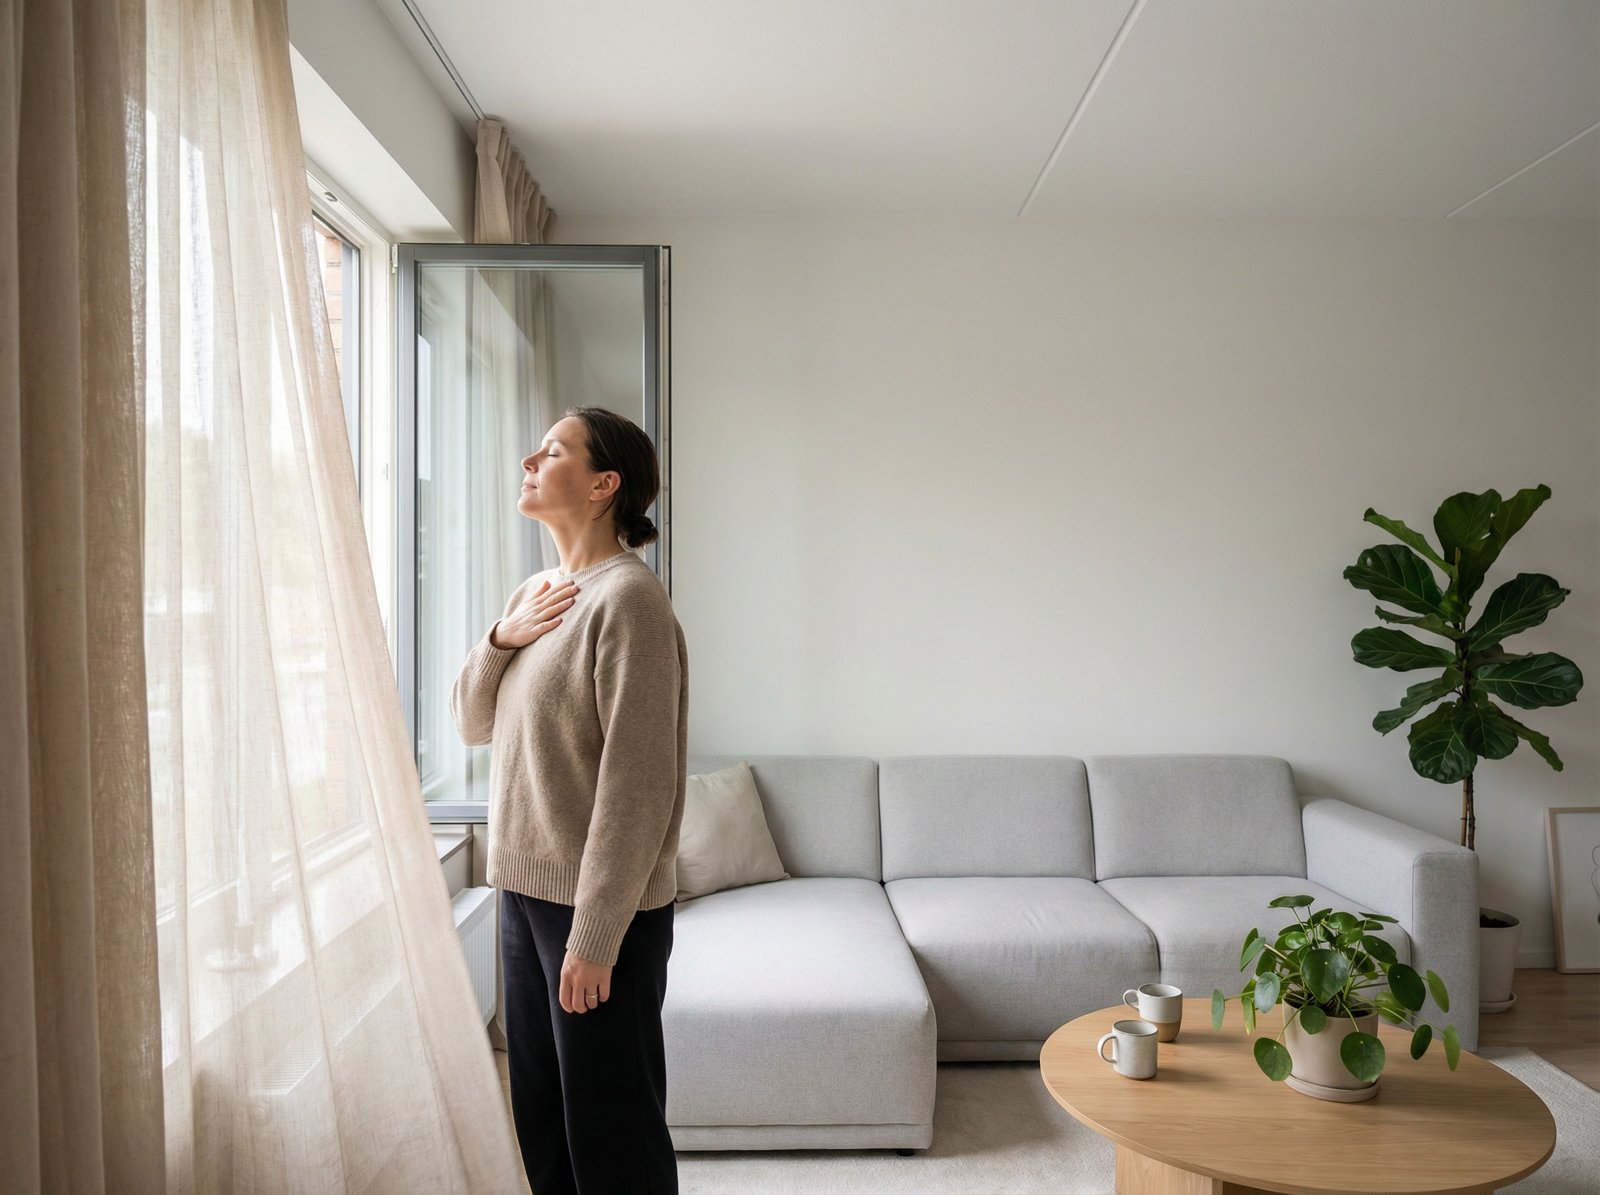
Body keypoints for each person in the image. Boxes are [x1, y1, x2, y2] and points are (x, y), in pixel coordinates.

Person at [449, 406, 687, 1194]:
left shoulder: (630, 601)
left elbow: (637, 783)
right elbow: (473, 723)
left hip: (594, 907)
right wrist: (501, 638)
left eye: (552, 450)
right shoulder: (539, 592)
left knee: (612, 1130)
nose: (529, 458)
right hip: (522, 892)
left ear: (602, 485)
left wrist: (595, 931)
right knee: (542, 1121)